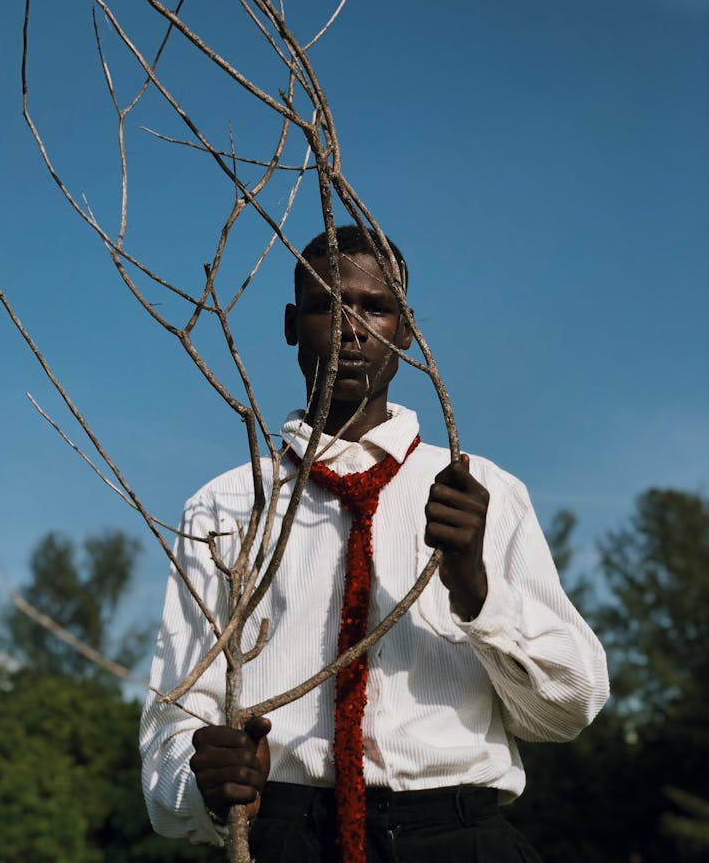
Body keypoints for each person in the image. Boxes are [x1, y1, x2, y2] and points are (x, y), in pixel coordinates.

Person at [140, 225, 609, 862]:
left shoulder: (480, 492)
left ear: (407, 329)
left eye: (375, 307)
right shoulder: (224, 506)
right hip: (286, 835)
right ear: (289, 324)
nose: (351, 328)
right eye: (325, 306)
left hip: (461, 837)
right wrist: (205, 783)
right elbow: (170, 730)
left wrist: (476, 589)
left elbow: (566, 710)